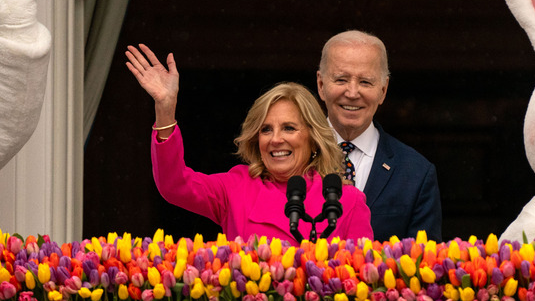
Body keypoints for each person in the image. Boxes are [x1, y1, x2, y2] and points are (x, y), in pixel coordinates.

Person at [126, 44, 373, 243]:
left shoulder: (347, 202)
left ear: (313, 138)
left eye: (289, 128)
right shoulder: (236, 188)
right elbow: (174, 185)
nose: (276, 139)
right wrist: (165, 108)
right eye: (266, 129)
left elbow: (359, 285)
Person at [316, 30, 442, 242]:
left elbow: (426, 266)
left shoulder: (416, 173)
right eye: (341, 79)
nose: (353, 92)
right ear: (321, 85)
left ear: (383, 90)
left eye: (365, 82)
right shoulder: (292, 158)